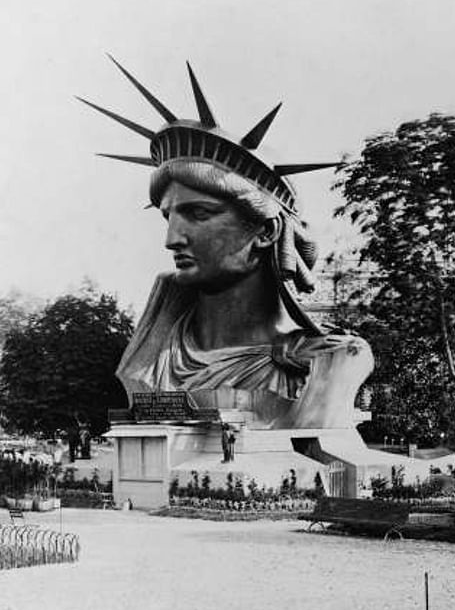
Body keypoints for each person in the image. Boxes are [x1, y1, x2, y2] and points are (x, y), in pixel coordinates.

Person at [82, 61, 373, 429]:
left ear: (265, 232)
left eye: (199, 214)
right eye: (168, 217)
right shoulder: (152, 356)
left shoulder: (326, 360)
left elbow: (317, 451)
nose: (172, 239)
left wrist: (333, 382)